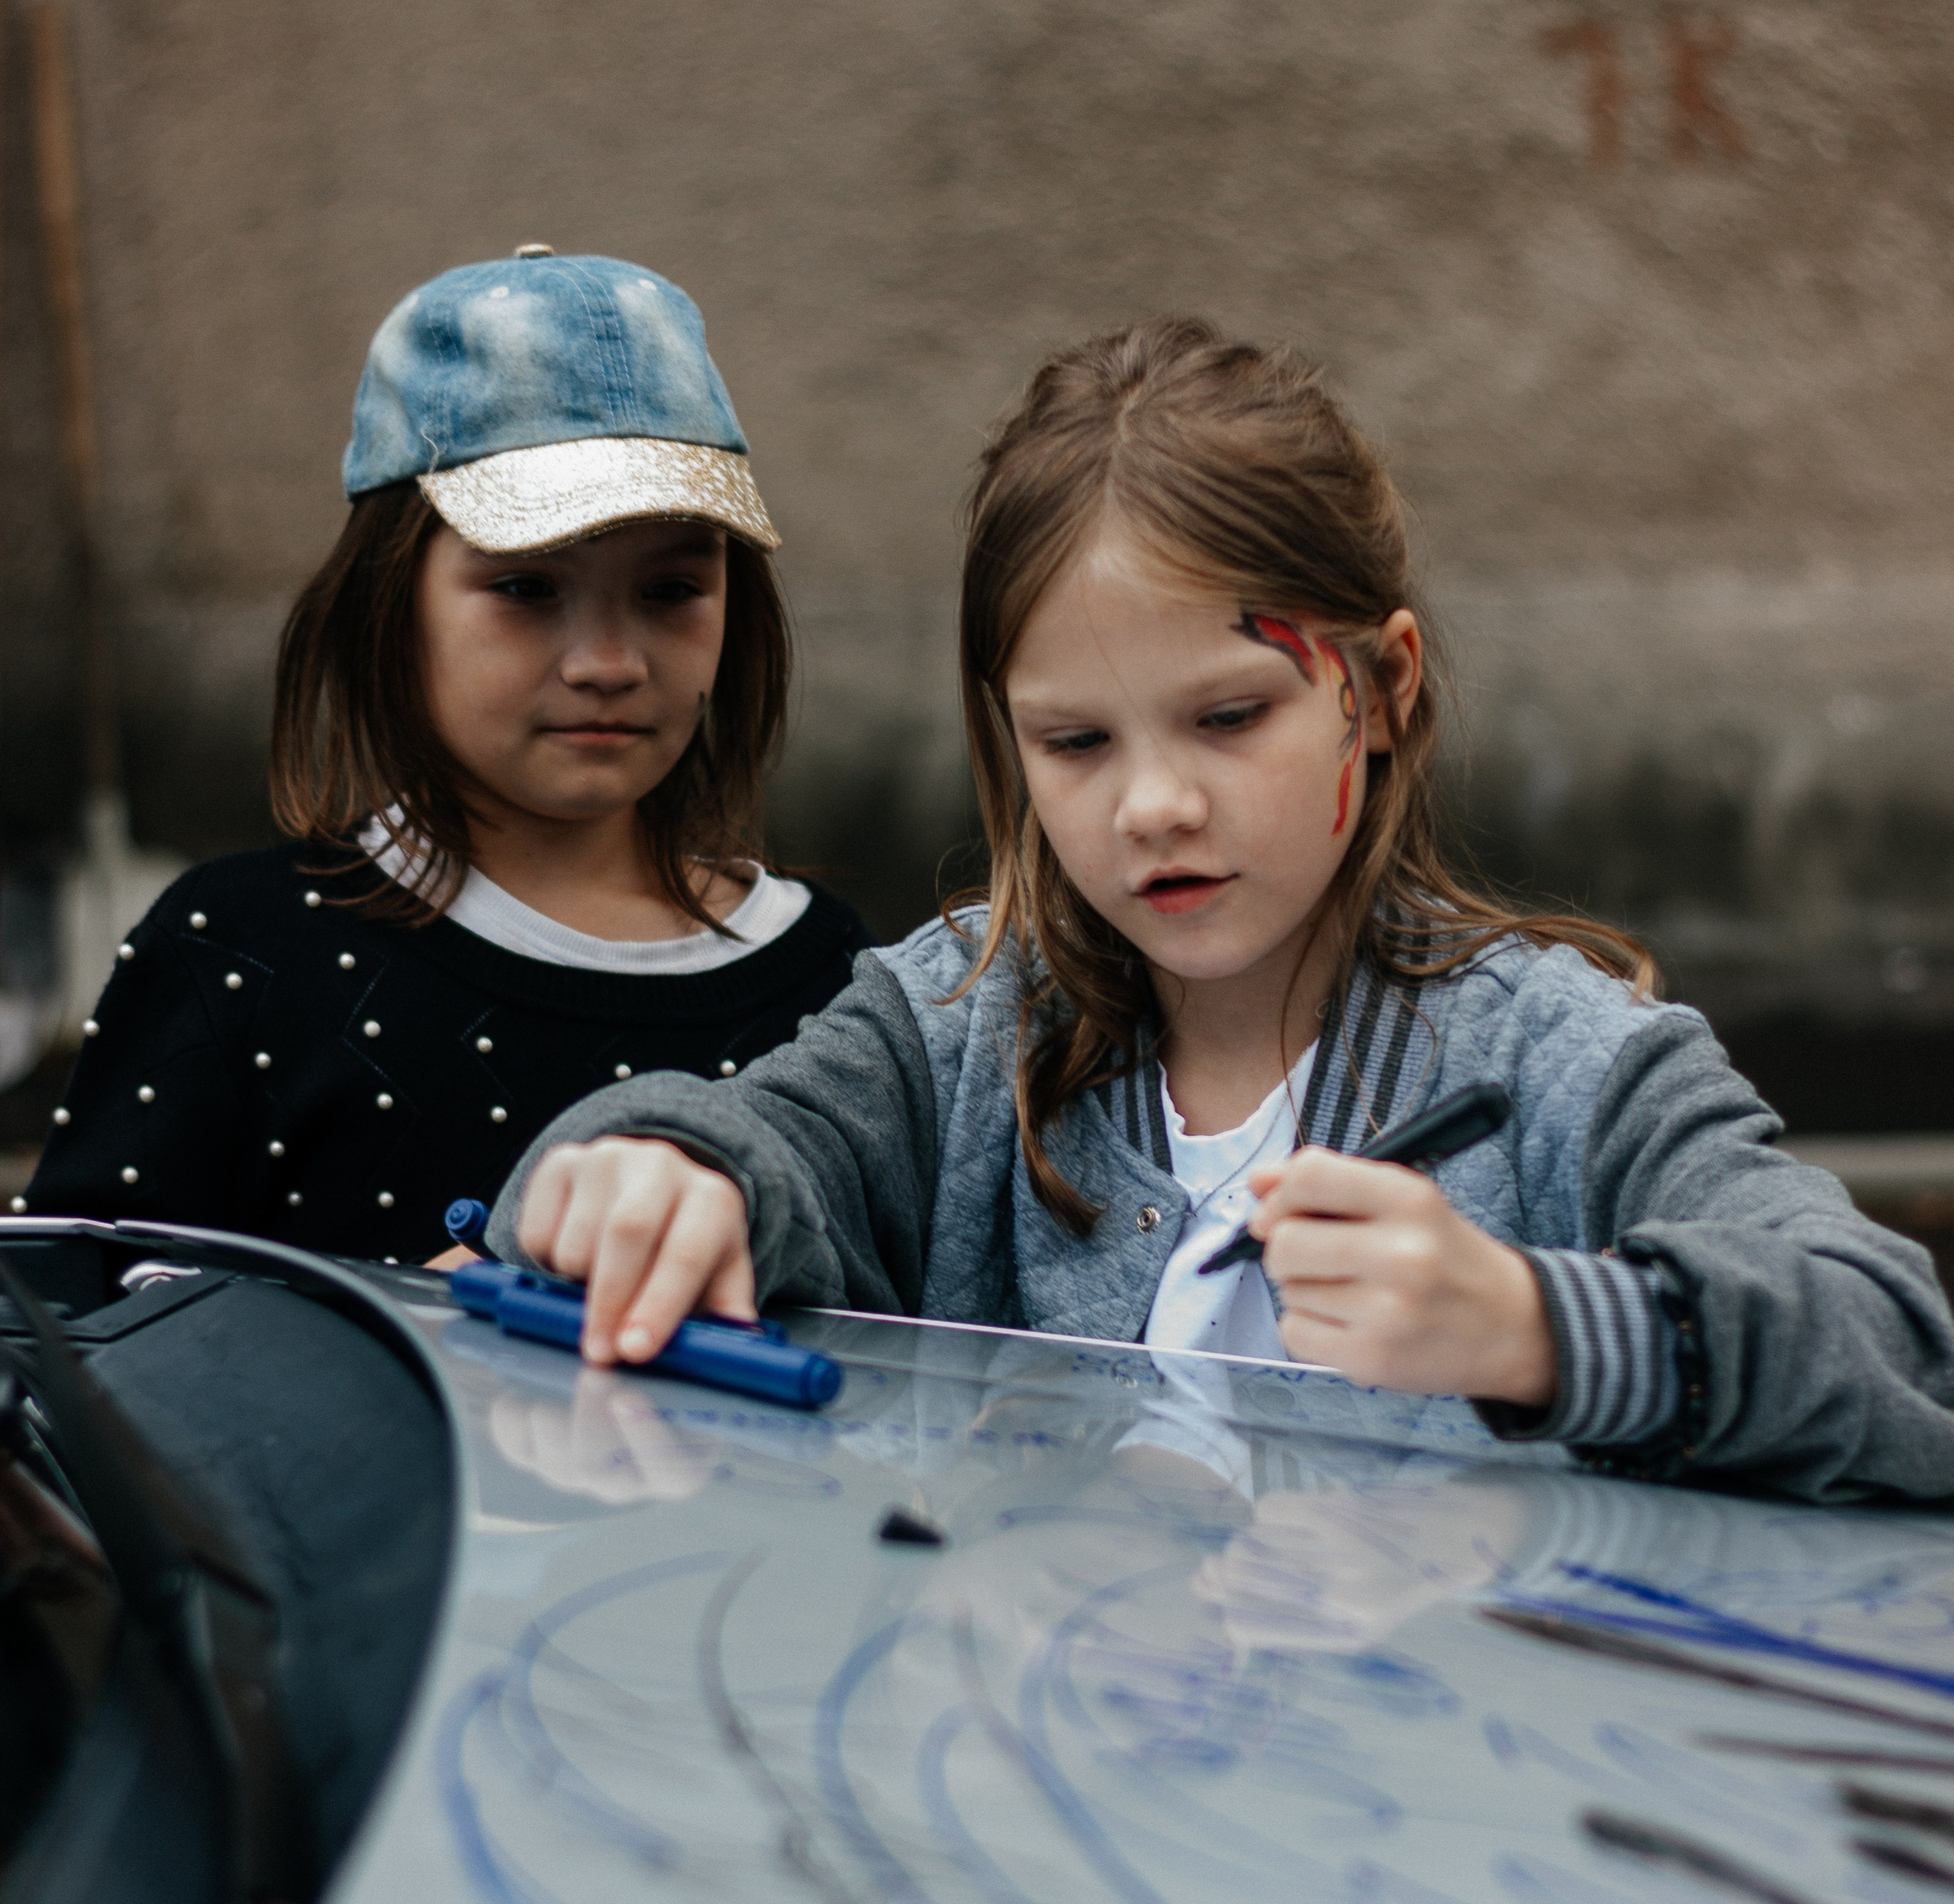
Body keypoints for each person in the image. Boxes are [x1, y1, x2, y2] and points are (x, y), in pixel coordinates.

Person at [477, 316, 1954, 1502]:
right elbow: (758, 1139)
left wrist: (1540, 1328)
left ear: (1379, 690)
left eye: (1230, 716)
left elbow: (1898, 1350)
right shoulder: (953, 1023)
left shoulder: (1564, 1067)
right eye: (1076, 743)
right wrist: (653, 1171)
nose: (1153, 808)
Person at [25, 250, 865, 1261]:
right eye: (525, 588)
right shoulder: (236, 957)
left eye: (670, 589)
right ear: (389, 601)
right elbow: (70, 1341)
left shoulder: (839, 987)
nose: (607, 662)